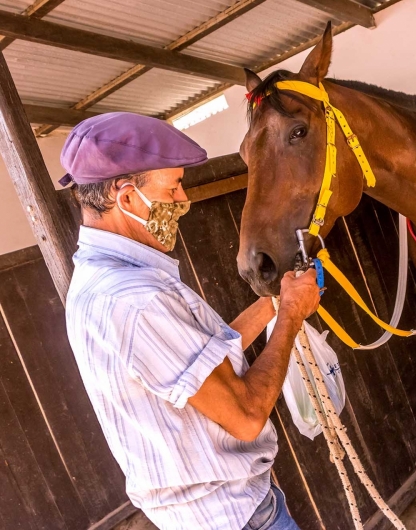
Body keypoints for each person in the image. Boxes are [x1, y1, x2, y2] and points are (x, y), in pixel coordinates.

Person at [61, 112, 321, 529]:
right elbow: (247, 415)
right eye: (173, 186)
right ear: (126, 198)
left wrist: (275, 302)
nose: (183, 199)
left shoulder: (103, 281)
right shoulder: (136, 301)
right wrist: (292, 313)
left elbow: (203, 363)